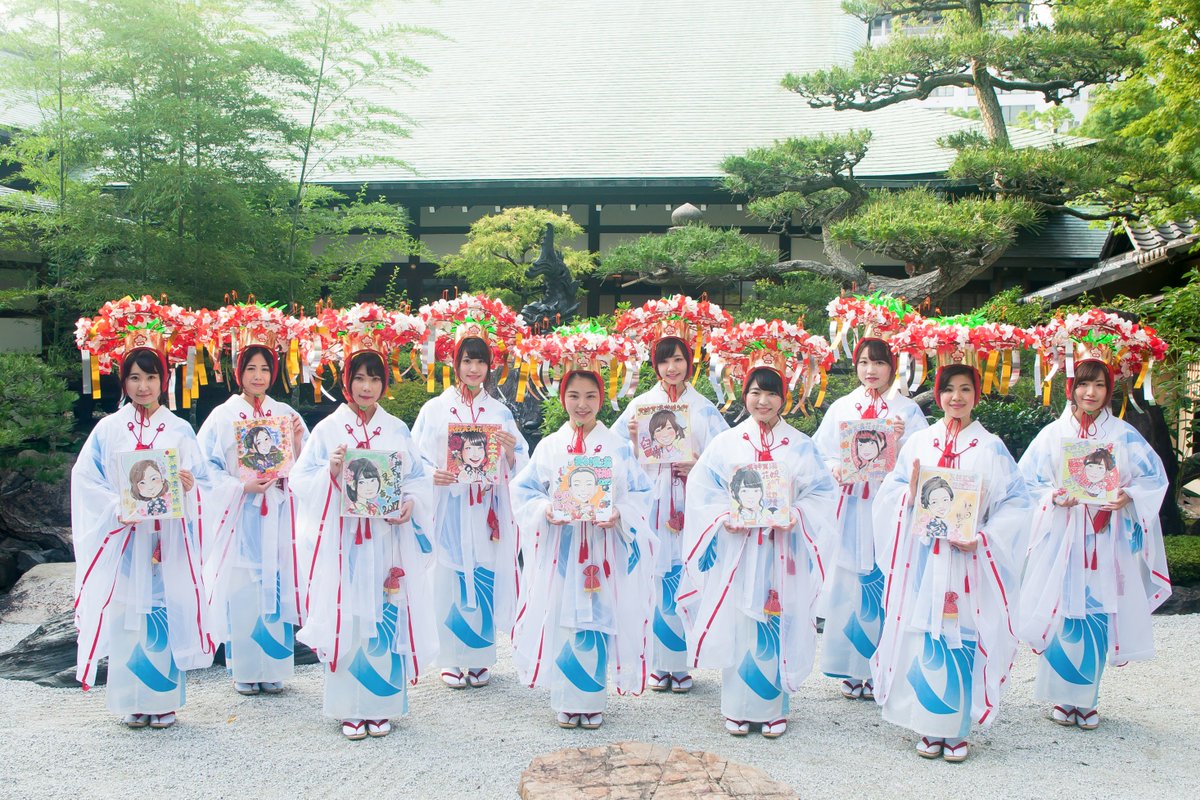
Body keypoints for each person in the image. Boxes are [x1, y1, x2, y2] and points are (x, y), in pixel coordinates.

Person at [871, 364, 1030, 762]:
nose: (956, 398)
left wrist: (984, 537)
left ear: (977, 394)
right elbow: (890, 493)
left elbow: (1016, 503)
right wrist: (907, 496)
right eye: (948, 390)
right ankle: (928, 725)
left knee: (962, 634)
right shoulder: (920, 441)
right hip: (925, 557)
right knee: (925, 632)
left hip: (968, 559)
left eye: (965, 389)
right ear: (938, 395)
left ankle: (955, 729)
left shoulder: (990, 447)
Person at [72, 332, 226, 730]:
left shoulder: (178, 429)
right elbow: (86, 479)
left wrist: (190, 489)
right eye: (135, 378)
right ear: (123, 382)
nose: (144, 386)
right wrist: (114, 508)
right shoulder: (108, 429)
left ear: (164, 381)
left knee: (163, 611)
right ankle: (131, 699)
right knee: (127, 613)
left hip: (167, 541)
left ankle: (163, 700)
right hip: (126, 540)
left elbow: (208, 484)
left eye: (152, 377)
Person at [676, 359, 838, 739]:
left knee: (777, 619)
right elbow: (704, 490)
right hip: (740, 549)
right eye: (754, 392)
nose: (762, 401)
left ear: (783, 399)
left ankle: (773, 708)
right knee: (740, 623)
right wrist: (722, 517)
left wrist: (797, 513)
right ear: (745, 396)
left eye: (770, 393)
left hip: (782, 550)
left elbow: (824, 494)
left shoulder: (800, 445)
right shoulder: (727, 443)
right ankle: (736, 707)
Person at [291, 339, 435, 740]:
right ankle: (349, 707)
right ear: (346, 382)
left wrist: (410, 502)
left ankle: (381, 705)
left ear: (383, 383)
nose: (366, 387)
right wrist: (331, 472)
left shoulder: (396, 428)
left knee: (386, 612)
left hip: (386, 538)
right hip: (345, 540)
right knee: (349, 615)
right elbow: (301, 479)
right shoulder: (328, 429)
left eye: (374, 378)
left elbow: (420, 479)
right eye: (359, 378)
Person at [1017, 357, 1169, 731]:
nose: (1090, 392)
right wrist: (1054, 496)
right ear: (1072, 388)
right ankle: (1060, 697)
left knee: (1098, 611)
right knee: (1063, 609)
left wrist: (1128, 495)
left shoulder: (1123, 435)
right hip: (1063, 534)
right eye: (1084, 384)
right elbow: (1026, 483)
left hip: (1106, 536)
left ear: (1109, 390)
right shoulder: (1053, 434)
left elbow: (1154, 478)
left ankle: (1087, 699)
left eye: (1099, 385)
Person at [511, 364, 655, 730]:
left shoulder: (618, 447)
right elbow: (524, 490)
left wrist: (620, 512)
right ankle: (564, 699)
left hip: (603, 547)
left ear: (601, 400)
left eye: (591, 396)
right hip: (564, 545)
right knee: (563, 615)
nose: (582, 404)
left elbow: (641, 492)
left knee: (598, 618)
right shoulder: (549, 446)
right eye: (574, 395)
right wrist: (546, 509)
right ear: (563, 399)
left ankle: (591, 699)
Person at [612, 332, 729, 694]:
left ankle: (681, 665)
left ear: (689, 363)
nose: (671, 367)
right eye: (664, 361)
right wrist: (633, 442)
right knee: (654, 576)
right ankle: (658, 663)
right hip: (652, 502)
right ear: (655, 366)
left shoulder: (704, 408)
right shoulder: (640, 407)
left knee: (684, 575)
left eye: (678, 359)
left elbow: (725, 456)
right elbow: (615, 459)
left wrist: (698, 465)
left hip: (689, 502)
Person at [411, 330, 527, 691]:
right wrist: (434, 474)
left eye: (480, 361)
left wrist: (509, 452)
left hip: (486, 511)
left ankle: (478, 657)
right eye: (467, 360)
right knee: (449, 575)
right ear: (454, 364)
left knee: (484, 574)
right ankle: (450, 658)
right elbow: (415, 459)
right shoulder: (434, 410)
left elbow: (523, 463)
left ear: (489, 367)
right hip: (450, 506)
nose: (473, 368)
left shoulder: (500, 411)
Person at [813, 336, 928, 701]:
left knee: (887, 581)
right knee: (851, 582)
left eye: (878, 363)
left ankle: (884, 665)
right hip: (854, 506)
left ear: (891, 367)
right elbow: (821, 452)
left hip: (890, 508)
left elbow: (925, 460)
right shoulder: (843, 407)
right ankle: (853, 668)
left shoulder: (907, 412)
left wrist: (900, 440)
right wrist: (836, 469)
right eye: (863, 362)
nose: (870, 370)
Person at [199, 338, 308, 698]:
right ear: (238, 374)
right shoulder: (222, 416)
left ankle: (274, 666)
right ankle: (245, 668)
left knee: (276, 584)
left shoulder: (283, 413)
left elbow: (306, 467)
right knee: (243, 588)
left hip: (277, 510)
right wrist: (240, 488)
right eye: (250, 369)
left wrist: (295, 441)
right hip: (241, 514)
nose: (258, 376)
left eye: (264, 369)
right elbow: (205, 469)